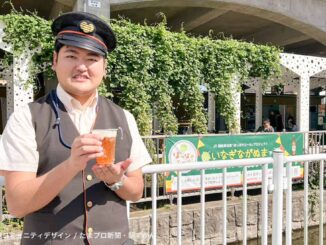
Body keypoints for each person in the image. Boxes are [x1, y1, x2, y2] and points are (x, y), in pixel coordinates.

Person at [0, 12, 151, 245]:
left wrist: (116, 180)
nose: (82, 67)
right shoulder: (26, 118)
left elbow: (136, 191)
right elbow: (17, 204)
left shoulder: (124, 118)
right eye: (71, 55)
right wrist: (71, 165)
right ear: (55, 60)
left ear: (104, 67)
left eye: (92, 58)